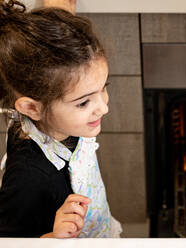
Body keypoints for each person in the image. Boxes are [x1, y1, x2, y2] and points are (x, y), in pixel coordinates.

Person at [0, 0, 122, 238]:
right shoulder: (28, 177)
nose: (103, 108)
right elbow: (10, 240)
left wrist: (61, 13)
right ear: (31, 108)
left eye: (103, 88)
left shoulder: (49, 97)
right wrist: (52, 239)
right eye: (84, 102)